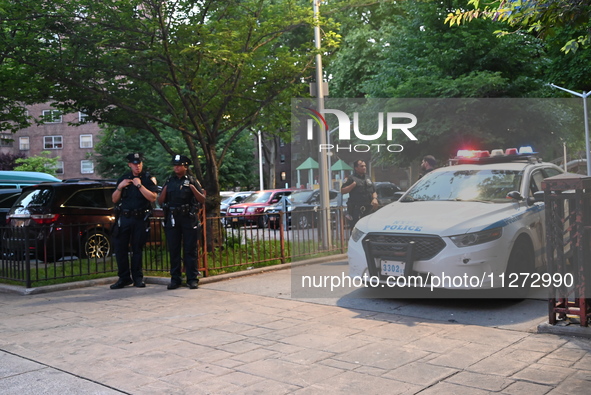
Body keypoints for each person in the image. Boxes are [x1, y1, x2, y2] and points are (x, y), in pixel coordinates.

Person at [110, 153, 158, 289]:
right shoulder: (124, 178)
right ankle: (124, 278)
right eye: (135, 164)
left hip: (139, 218)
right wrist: (120, 187)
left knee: (137, 248)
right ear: (129, 165)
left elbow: (153, 198)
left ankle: (138, 278)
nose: (137, 166)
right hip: (125, 217)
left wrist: (139, 186)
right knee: (120, 248)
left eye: (139, 163)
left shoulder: (147, 179)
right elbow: (114, 199)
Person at [158, 154, 206, 290]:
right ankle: (175, 279)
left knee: (190, 249)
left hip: (188, 218)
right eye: (175, 165)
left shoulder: (192, 180)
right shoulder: (170, 181)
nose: (176, 167)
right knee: (174, 249)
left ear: (186, 166)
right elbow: (160, 201)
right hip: (173, 217)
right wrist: (165, 190)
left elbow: (202, 199)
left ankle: (192, 279)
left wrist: (192, 188)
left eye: (179, 165)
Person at [341, 159, 378, 227]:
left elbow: (374, 191)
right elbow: (343, 191)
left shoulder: (368, 178)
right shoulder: (351, 178)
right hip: (356, 209)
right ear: (356, 168)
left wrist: (375, 198)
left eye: (365, 166)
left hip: (368, 208)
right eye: (362, 166)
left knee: (369, 227)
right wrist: (352, 185)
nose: (364, 168)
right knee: (356, 228)